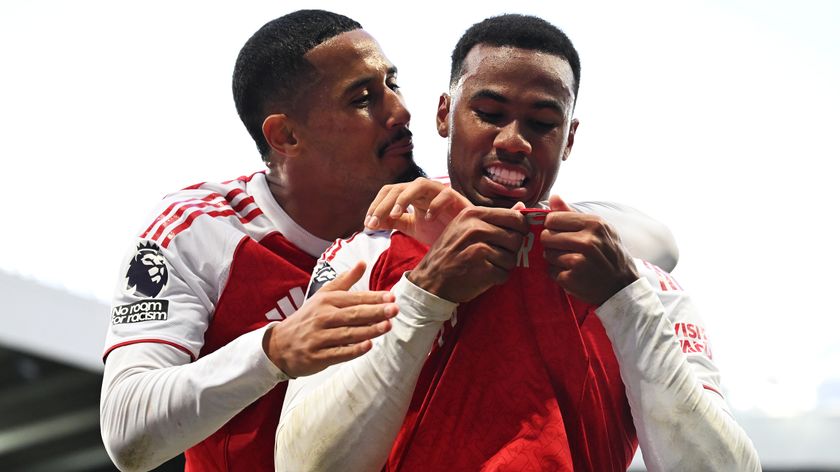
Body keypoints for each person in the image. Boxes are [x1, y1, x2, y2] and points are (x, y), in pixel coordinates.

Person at [99, 9, 678, 472]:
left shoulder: (430, 204)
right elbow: (128, 437)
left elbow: (658, 245)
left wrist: (528, 229)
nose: (400, 111)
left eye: (392, 83)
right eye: (363, 98)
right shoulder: (202, 229)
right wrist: (274, 351)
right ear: (286, 135)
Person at [276, 14, 760, 472]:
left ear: (568, 139)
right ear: (444, 115)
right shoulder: (364, 257)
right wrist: (425, 294)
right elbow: (302, 465)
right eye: (488, 113)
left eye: (543, 124)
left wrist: (627, 305)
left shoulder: (642, 287)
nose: (513, 140)